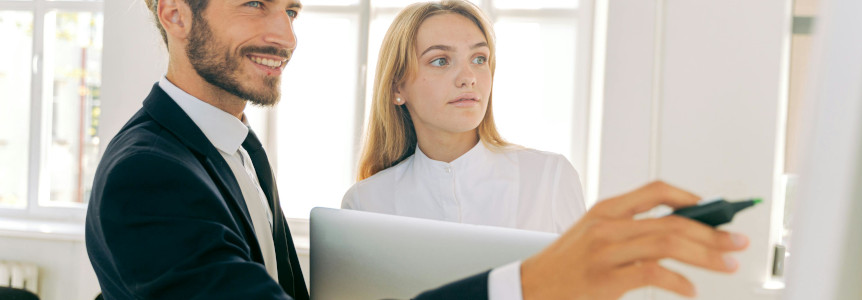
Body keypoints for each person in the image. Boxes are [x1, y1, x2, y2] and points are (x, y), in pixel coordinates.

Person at [85, 0, 750, 299]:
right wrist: (523, 285)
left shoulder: (236, 147)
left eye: (291, 10)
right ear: (173, 13)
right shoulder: (151, 172)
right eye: (255, 3)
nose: (282, 34)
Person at [341, 1, 585, 234]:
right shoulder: (365, 203)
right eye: (440, 61)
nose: (468, 77)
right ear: (397, 88)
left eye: (479, 59)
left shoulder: (549, 179)